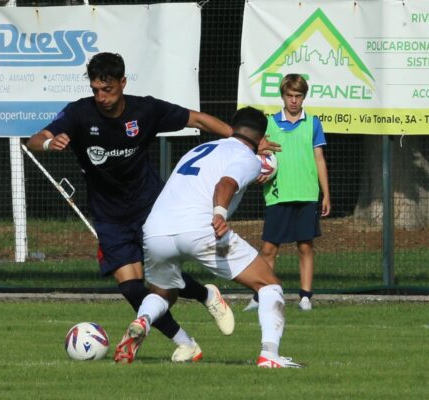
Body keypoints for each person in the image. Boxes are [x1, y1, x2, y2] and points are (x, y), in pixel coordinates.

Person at [25, 52, 237, 363]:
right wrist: (47, 144)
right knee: (130, 288)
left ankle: (206, 295)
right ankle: (186, 342)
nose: (102, 97)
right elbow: (36, 138)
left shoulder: (145, 110)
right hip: (109, 216)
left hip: (152, 209)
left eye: (107, 89)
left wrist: (244, 142)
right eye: (96, 90)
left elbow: (199, 119)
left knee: (162, 285)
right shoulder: (80, 114)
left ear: (122, 83)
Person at [113, 106, 302, 368]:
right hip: (201, 229)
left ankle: (142, 320)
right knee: (268, 284)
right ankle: (270, 355)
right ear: (262, 137)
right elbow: (226, 184)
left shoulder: (200, 149)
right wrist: (220, 213)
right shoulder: (248, 158)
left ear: (233, 127)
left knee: (163, 293)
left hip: (156, 230)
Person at [243, 73, 331, 312]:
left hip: (306, 193)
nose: (293, 100)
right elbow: (259, 156)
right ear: (282, 96)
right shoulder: (269, 123)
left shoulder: (312, 123)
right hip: (278, 194)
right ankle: (261, 295)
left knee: (305, 246)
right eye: (289, 95)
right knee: (269, 248)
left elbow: (319, 159)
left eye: (298, 96)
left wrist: (326, 194)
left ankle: (305, 297)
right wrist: (258, 171)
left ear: (303, 97)